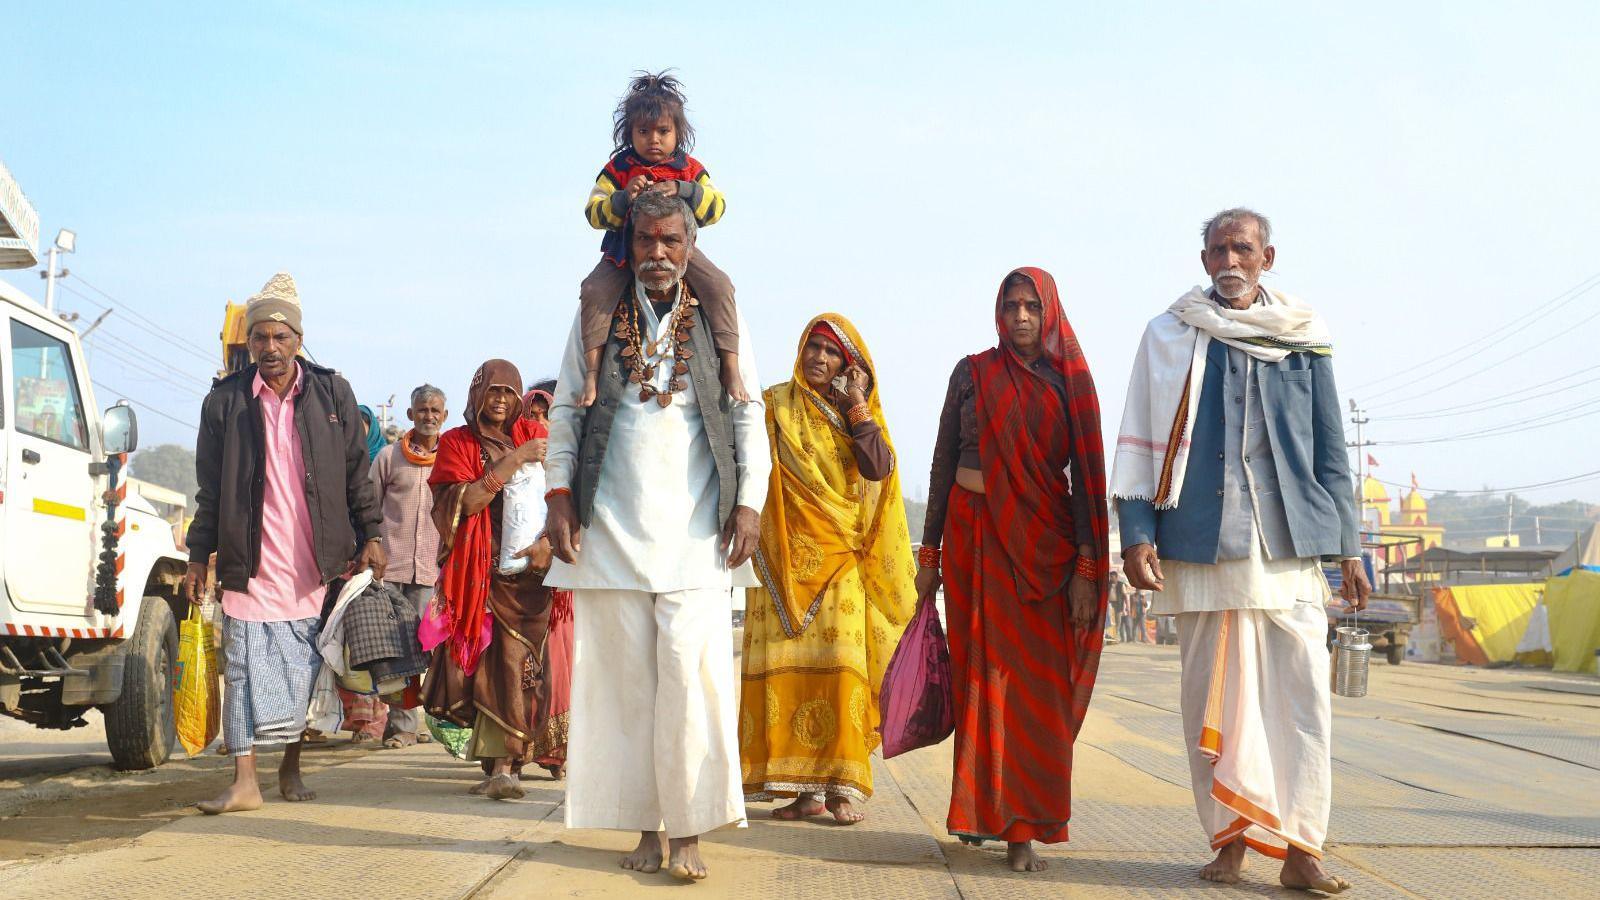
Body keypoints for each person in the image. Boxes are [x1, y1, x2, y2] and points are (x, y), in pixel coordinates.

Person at [1111, 208, 1369, 894]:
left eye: (1243, 248)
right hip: (1201, 543)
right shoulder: (1169, 335)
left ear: (1268, 257)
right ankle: (1228, 842)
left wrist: (1351, 545)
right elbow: (1137, 431)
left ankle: (1301, 849)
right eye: (1219, 249)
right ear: (1204, 261)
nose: (1231, 259)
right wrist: (1135, 533)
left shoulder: (1304, 337)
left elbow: (1330, 447)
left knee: (1303, 700)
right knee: (1209, 700)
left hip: (1289, 546)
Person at [544, 188, 767, 882]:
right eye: (647, 242)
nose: (660, 254)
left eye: (672, 241)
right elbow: (563, 413)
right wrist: (558, 497)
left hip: (698, 537)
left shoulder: (720, 324)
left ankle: (690, 831)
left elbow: (747, 412)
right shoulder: (599, 317)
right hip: (609, 531)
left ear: (691, 247)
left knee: (692, 687)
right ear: (628, 246)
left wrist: (750, 505)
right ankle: (647, 829)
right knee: (628, 693)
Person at [918, 267, 1109, 873]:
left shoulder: (1068, 384)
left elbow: (1085, 482)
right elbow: (943, 459)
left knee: (1032, 689)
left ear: (1049, 311)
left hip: (1045, 550)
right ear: (997, 313)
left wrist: (1085, 565)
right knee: (981, 679)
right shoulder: (973, 373)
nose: (1021, 317)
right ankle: (982, 815)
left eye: (1031, 306)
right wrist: (929, 557)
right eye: (1011, 307)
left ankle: (1024, 827)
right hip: (973, 538)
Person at [185, 272, 385, 815]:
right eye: (260, 338)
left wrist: (373, 534)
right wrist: (198, 556)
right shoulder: (225, 401)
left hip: (312, 562)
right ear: (247, 343)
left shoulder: (331, 392)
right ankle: (244, 781)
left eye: (281, 337)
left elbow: (355, 473)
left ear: (298, 340)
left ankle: (290, 764)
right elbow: (209, 487)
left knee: (304, 670)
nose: (270, 348)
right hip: (247, 560)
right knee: (245, 671)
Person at [739, 314, 916, 825]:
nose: (818, 357)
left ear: (849, 365)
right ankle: (803, 792)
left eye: (831, 351)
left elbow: (879, 469)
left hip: (840, 561)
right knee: (792, 675)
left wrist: (857, 404)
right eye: (812, 347)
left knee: (841, 673)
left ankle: (843, 789)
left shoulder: (855, 412)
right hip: (781, 561)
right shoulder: (775, 405)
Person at [423, 360, 556, 800]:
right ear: (477, 394)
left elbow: (563, 499)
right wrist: (513, 462)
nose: (500, 400)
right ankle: (496, 761)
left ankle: (506, 765)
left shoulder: (537, 438)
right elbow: (465, 503)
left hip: (529, 578)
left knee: (517, 667)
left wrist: (548, 544)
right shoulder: (457, 444)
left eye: (508, 392)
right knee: (481, 667)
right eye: (492, 391)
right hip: (477, 575)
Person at [577, 70, 744, 407]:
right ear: (630, 134)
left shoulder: (690, 168)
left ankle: (731, 366)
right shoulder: (619, 168)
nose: (653, 139)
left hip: (678, 254)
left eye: (663, 131)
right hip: (624, 252)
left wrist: (685, 190)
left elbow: (717, 207)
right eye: (643, 131)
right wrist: (622, 198)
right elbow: (593, 213)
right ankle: (592, 376)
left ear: (678, 133)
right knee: (593, 291)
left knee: (721, 286)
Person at [368, 384, 448, 749]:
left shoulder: (451, 457)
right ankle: (400, 726)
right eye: (422, 410)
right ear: (411, 415)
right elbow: (369, 508)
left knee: (427, 650)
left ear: (444, 416)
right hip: (391, 568)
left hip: (432, 570)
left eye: (435, 411)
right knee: (394, 650)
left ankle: (419, 722)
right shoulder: (388, 457)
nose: (429, 416)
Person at [523, 380, 571, 779]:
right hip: (519, 582)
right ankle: (515, 750)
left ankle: (556, 752)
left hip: (565, 584)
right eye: (532, 414)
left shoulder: (571, 465)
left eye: (547, 415)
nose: (539, 423)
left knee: (560, 664)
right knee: (523, 666)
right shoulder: (512, 461)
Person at [1108, 570, 1129, 643]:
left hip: (1118, 605)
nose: (1111, 579)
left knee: (1118, 622)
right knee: (1110, 622)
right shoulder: (1108, 584)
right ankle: (1110, 637)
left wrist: (1127, 607)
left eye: (1113, 577)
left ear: (1116, 577)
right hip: (1110, 605)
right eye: (1110, 577)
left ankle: (1115, 638)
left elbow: (1125, 596)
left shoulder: (1121, 585)